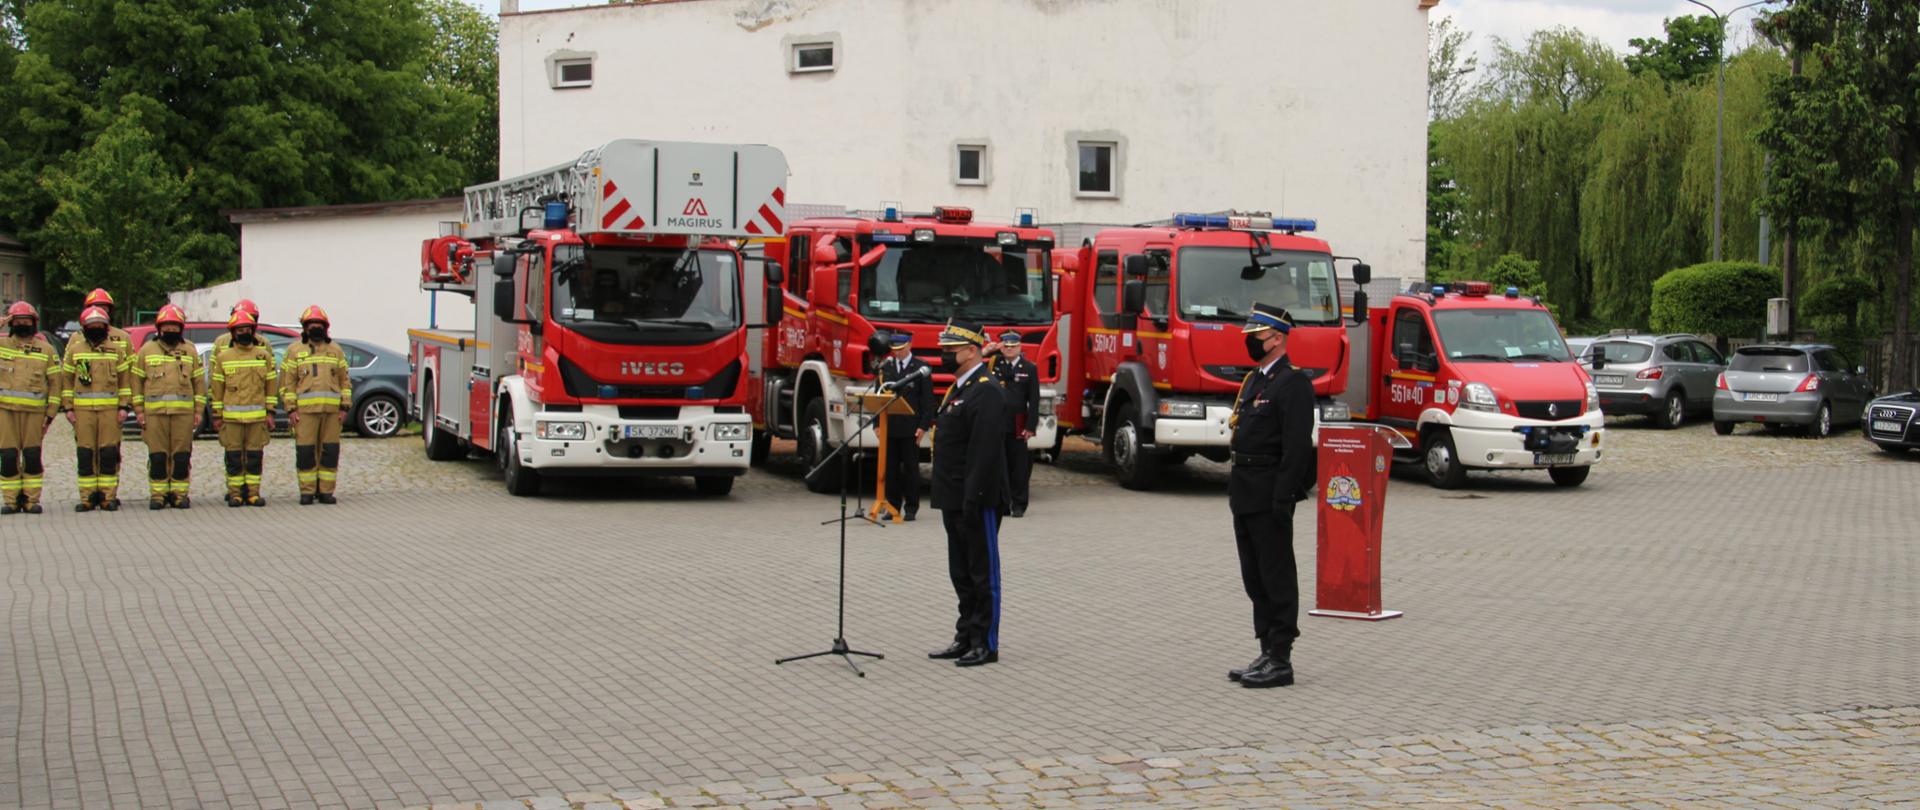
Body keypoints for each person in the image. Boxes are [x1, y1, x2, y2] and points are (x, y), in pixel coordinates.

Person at [1226, 303, 1316, 689]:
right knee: (1254, 577)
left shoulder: (1292, 383)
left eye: (1255, 337)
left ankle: (1281, 658)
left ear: (1276, 337)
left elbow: (1296, 448)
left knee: (1276, 575)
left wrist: (1284, 497)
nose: (1249, 342)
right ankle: (1265, 649)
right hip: (1245, 490)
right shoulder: (1256, 381)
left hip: (1270, 493)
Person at [925, 318, 1010, 668]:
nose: (944, 355)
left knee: (982, 572)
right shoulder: (960, 388)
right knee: (960, 571)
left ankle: (985, 643)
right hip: (953, 496)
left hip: (977, 497)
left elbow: (984, 451)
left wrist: (972, 498)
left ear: (972, 351)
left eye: (950, 350)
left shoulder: (986, 389)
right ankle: (965, 636)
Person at [132, 305, 204, 509]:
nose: (170, 331)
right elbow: (136, 382)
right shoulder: (146, 351)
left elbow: (198, 384)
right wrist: (138, 411)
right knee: (158, 456)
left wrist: (198, 411)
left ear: (181, 328)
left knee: (181, 456)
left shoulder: (189, 350)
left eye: (175, 327)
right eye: (167, 327)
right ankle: (158, 495)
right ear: (159, 328)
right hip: (154, 415)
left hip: (183, 415)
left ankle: (180, 495)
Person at [63, 305, 133, 511]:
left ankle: (107, 497)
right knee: (85, 453)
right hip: (82, 413)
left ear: (106, 327)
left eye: (99, 326)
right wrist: (68, 408)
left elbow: (125, 382)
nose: (96, 329)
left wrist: (123, 408)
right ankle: (87, 497)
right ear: (84, 328)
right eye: (91, 326)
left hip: (110, 412)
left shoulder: (117, 351)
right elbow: (66, 381)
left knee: (108, 453)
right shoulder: (75, 351)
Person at [282, 306, 352, 505]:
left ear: (326, 328)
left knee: (329, 452)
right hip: (304, 414)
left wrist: (344, 407)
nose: (316, 329)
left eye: (319, 325)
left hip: (331, 413)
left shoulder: (335, 351)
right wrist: (291, 409)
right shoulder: (294, 351)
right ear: (304, 328)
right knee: (305, 452)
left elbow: (344, 381)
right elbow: (288, 383)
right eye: (312, 326)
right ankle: (307, 491)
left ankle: (326, 492)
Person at [211, 310, 278, 507]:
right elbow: (217, 389)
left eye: (247, 328)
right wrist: (217, 415)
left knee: (255, 457)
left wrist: (270, 412)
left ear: (253, 330)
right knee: (233, 457)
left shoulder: (263, 356)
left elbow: (271, 387)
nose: (243, 332)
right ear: (233, 333)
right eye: (239, 329)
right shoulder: (224, 357)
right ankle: (235, 494)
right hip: (231, 420)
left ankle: (253, 493)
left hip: (257, 419)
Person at [1, 301, 60, 514]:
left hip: (35, 415)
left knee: (32, 456)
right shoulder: (2, 345)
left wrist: (51, 415)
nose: (22, 324)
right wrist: (2, 322)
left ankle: (31, 500)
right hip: (5, 413)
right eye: (17, 321)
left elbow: (56, 385)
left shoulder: (46, 350)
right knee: (8, 457)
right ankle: (10, 501)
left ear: (34, 323)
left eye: (26, 321)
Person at [876, 331, 931, 521]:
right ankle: (892, 506)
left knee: (910, 469)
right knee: (890, 469)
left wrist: (923, 426)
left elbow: (927, 400)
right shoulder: (887, 367)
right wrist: (877, 424)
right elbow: (878, 396)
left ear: (909, 345)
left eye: (900, 349)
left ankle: (911, 507)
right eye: (894, 350)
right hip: (890, 425)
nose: (897, 353)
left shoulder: (920, 368)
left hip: (911, 426)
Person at [987, 330, 1040, 517]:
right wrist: (987, 351)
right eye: (1006, 347)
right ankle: (1002, 503)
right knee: (1000, 466)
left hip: (1018, 422)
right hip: (998, 422)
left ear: (1020, 347)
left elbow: (1034, 400)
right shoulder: (995, 366)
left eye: (1013, 346)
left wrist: (1030, 426)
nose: (1009, 350)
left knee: (1019, 467)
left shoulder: (1029, 368)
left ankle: (1019, 504)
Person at [80, 288, 134, 354]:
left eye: (104, 309)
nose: (99, 313)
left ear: (110, 311)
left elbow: (132, 362)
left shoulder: (123, 336)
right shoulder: (76, 337)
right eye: (96, 308)